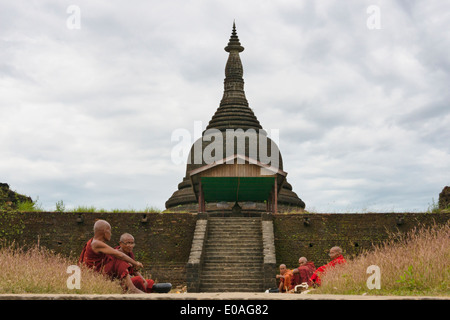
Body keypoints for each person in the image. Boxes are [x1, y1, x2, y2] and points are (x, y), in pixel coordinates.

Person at [78, 219, 145, 293]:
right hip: (96, 274)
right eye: (110, 231)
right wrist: (135, 263)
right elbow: (119, 255)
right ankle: (132, 288)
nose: (111, 234)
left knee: (116, 256)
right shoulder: (96, 243)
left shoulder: (96, 242)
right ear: (105, 231)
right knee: (117, 258)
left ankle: (129, 286)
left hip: (101, 271)